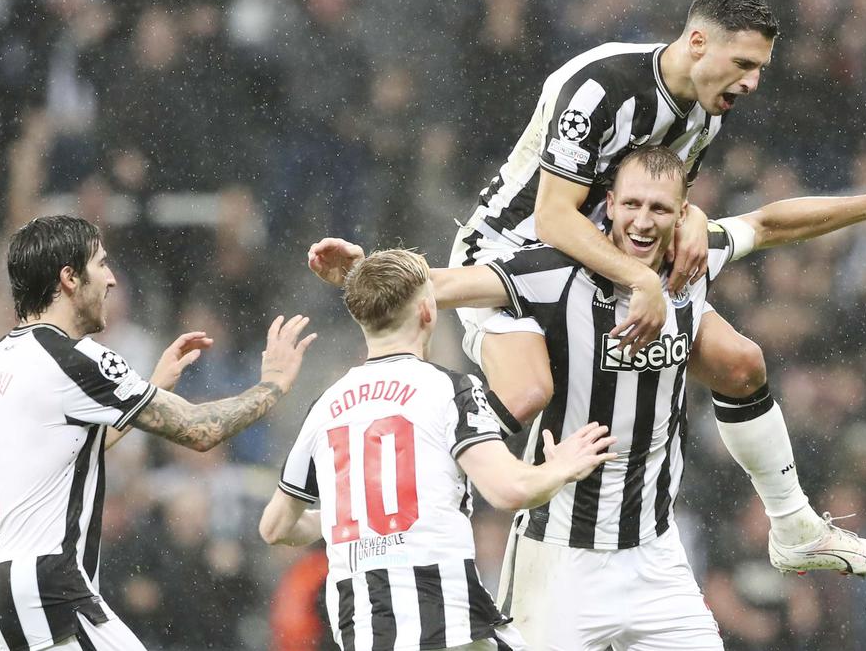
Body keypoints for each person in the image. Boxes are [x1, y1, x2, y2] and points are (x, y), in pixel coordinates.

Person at [313, 145, 866, 648]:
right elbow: (438, 284)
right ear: (604, 203)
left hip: (653, 556)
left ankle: (794, 525)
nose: (641, 219)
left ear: (681, 214)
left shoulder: (692, 262)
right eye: (629, 204)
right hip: (558, 555)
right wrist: (364, 269)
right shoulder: (550, 274)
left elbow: (772, 223)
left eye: (659, 208)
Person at [448, 0, 866, 571]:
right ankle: (415, 472)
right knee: (527, 391)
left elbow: (677, 203)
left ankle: (795, 528)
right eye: (744, 63)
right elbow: (552, 216)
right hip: (514, 252)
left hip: (605, 258)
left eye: (761, 69)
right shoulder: (600, 86)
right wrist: (644, 279)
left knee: (740, 362)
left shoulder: (706, 116)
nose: (752, 82)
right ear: (698, 43)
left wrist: (692, 215)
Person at [0, 215, 318, 651]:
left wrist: (149, 388)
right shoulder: (74, 358)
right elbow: (199, 430)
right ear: (69, 278)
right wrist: (273, 386)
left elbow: (69, 454)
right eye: (101, 264)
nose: (112, 280)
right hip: (49, 588)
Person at [259, 249, 617, 651]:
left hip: (363, 632)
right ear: (428, 311)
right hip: (444, 628)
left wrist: (359, 513)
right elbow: (507, 490)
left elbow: (275, 527)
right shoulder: (450, 389)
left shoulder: (325, 406)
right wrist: (561, 468)